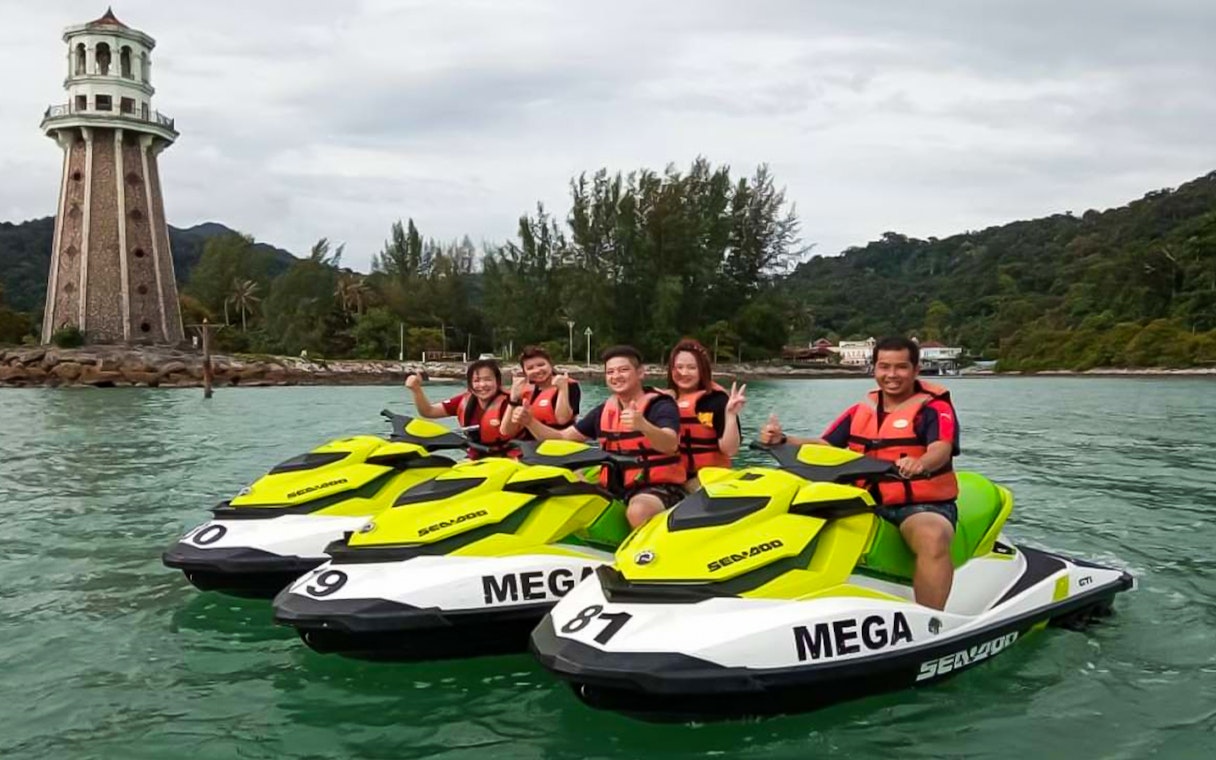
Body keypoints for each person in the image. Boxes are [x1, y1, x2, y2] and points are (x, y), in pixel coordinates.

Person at [760, 336, 960, 610]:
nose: (891, 375)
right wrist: (783, 439)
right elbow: (826, 446)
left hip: (919, 504)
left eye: (901, 367)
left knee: (932, 537)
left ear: (916, 369)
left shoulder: (934, 409)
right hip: (865, 502)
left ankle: (932, 619)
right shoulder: (860, 411)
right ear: (874, 369)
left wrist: (921, 463)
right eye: (884, 367)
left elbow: (941, 447)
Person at [512, 345, 687, 528]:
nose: (616, 376)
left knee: (638, 512)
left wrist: (643, 425)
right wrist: (530, 422)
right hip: (613, 486)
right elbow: (563, 438)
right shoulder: (603, 411)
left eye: (623, 370)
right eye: (610, 372)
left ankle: (648, 554)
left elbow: (670, 443)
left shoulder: (660, 405)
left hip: (658, 486)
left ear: (640, 373)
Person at [662, 338, 747, 490]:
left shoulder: (717, 401)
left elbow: (730, 450)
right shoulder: (662, 401)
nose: (684, 373)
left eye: (691, 368)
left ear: (702, 370)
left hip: (708, 477)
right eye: (679, 367)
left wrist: (731, 415)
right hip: (671, 475)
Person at [405, 358, 516, 458]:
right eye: (476, 381)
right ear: (470, 385)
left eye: (487, 379)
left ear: (498, 382)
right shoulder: (463, 402)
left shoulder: (511, 402)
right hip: (477, 459)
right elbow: (428, 411)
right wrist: (416, 390)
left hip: (509, 459)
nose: (482, 385)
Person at [499, 345, 579, 439]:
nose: (537, 370)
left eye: (541, 365)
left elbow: (563, 419)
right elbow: (506, 431)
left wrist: (562, 389)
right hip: (530, 445)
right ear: (525, 372)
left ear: (550, 364)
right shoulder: (523, 390)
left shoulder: (569, 385)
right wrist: (513, 399)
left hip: (560, 442)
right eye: (530, 368)